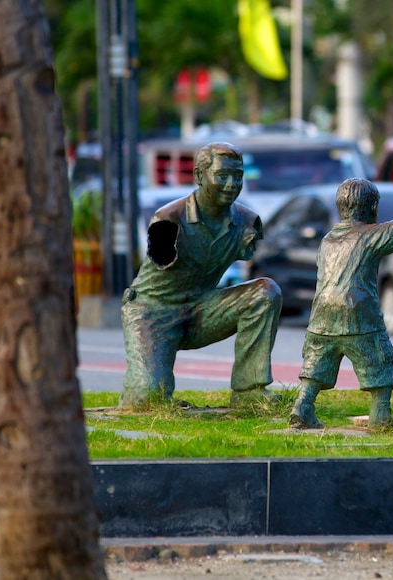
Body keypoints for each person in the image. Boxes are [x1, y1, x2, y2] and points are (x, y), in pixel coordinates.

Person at [119, 142, 282, 410]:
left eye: (238, 176)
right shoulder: (168, 220)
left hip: (202, 309)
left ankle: (249, 390)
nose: (231, 184)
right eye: (221, 176)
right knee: (147, 401)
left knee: (265, 293)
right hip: (153, 313)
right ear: (198, 176)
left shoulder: (246, 223)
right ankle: (141, 388)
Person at [290, 178, 393, 429]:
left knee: (317, 359)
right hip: (358, 311)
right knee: (377, 357)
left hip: (322, 313)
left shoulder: (327, 240)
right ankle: (380, 414)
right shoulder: (370, 234)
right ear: (371, 207)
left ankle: (302, 405)